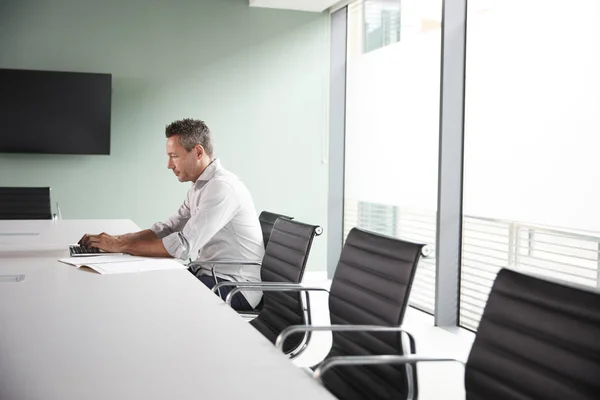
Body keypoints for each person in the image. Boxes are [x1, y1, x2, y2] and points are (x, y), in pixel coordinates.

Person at [78, 118, 265, 310]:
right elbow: (167, 229)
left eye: (174, 156)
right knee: (145, 281)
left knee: (155, 296)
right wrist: (115, 240)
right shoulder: (200, 186)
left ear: (198, 152)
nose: (169, 164)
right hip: (209, 275)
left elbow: (182, 246)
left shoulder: (222, 188)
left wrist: (120, 245)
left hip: (234, 288)